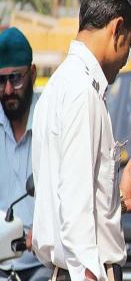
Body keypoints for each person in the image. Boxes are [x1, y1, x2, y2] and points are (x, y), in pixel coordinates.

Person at [31, 0, 131, 281]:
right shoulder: (80, 93)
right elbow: (75, 216)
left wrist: (115, 201)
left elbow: (72, 194)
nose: (128, 54)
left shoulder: (60, 85)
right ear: (117, 29)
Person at [0, 27, 51, 281]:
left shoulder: (51, 124)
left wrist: (42, 233)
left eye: (16, 79)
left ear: (32, 74)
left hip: (43, 264)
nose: (8, 90)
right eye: (1, 81)